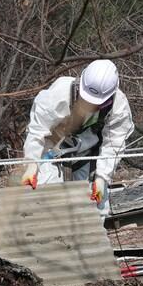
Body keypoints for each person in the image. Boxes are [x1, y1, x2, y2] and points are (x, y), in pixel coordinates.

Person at [20, 59, 134, 209]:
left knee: (95, 204)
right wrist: (31, 164)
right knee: (46, 197)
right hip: (52, 149)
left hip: (87, 153)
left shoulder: (118, 107)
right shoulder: (58, 94)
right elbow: (37, 130)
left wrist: (102, 178)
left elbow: (114, 144)